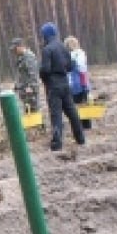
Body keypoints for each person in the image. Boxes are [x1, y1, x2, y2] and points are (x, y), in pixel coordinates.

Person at [39, 22, 85, 151]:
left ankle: (57, 143)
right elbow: (70, 66)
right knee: (72, 112)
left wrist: (42, 74)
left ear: (45, 35)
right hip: (65, 82)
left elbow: (46, 69)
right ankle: (80, 138)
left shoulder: (47, 50)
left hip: (53, 85)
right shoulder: (63, 47)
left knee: (56, 114)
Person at [64, 36, 92, 130]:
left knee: (75, 106)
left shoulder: (68, 56)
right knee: (84, 104)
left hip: (73, 84)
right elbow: (83, 70)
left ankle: (79, 125)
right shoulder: (80, 54)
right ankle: (86, 125)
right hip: (81, 83)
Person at [10, 37, 41, 114]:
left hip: (30, 90)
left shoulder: (29, 56)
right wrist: (16, 86)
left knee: (33, 111)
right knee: (28, 111)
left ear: (21, 46)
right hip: (24, 89)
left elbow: (33, 73)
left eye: (15, 48)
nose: (14, 51)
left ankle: (36, 125)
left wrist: (31, 87)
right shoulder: (21, 57)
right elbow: (21, 74)